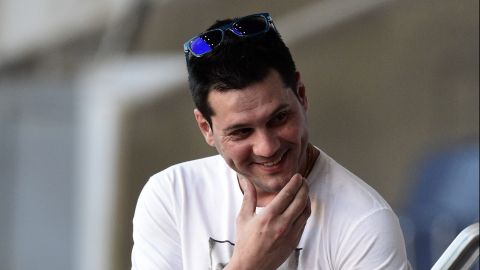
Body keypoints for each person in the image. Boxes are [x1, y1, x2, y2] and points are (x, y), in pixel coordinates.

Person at [131, 12, 411, 269]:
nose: (267, 147)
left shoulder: (364, 224)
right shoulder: (172, 197)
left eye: (279, 118)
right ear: (206, 127)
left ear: (301, 95)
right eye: (241, 132)